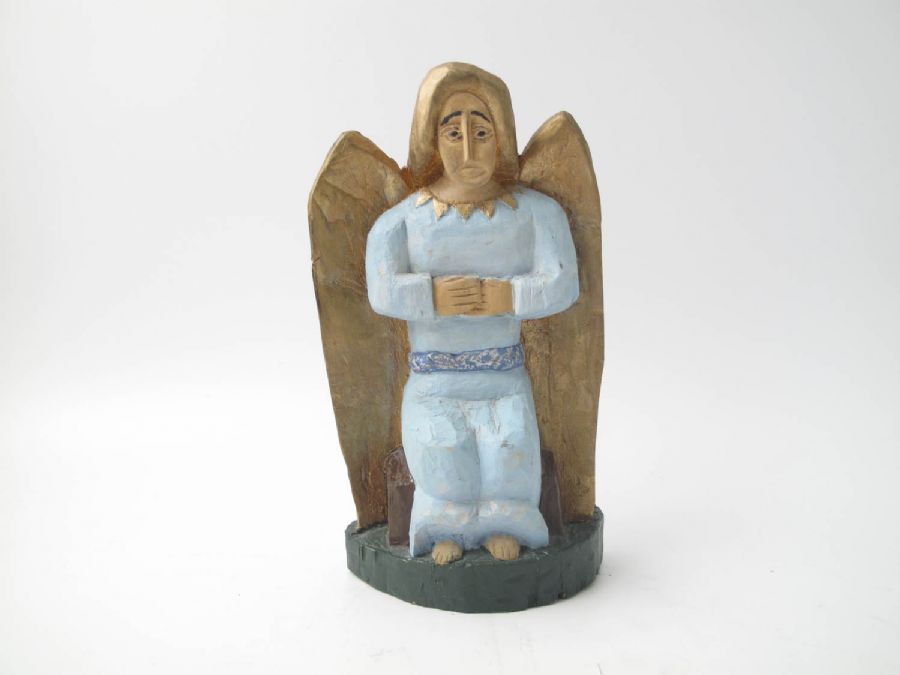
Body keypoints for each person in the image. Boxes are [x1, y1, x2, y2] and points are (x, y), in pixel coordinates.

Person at [365, 63, 578, 564]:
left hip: (503, 376)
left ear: (501, 136)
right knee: (443, 453)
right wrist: (431, 296)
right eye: (453, 134)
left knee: (509, 449)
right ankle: (446, 528)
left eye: (481, 133)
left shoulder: (535, 214)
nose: (468, 151)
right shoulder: (403, 222)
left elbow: (562, 282)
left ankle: (505, 522)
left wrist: (509, 297)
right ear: (430, 140)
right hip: (435, 381)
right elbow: (380, 289)